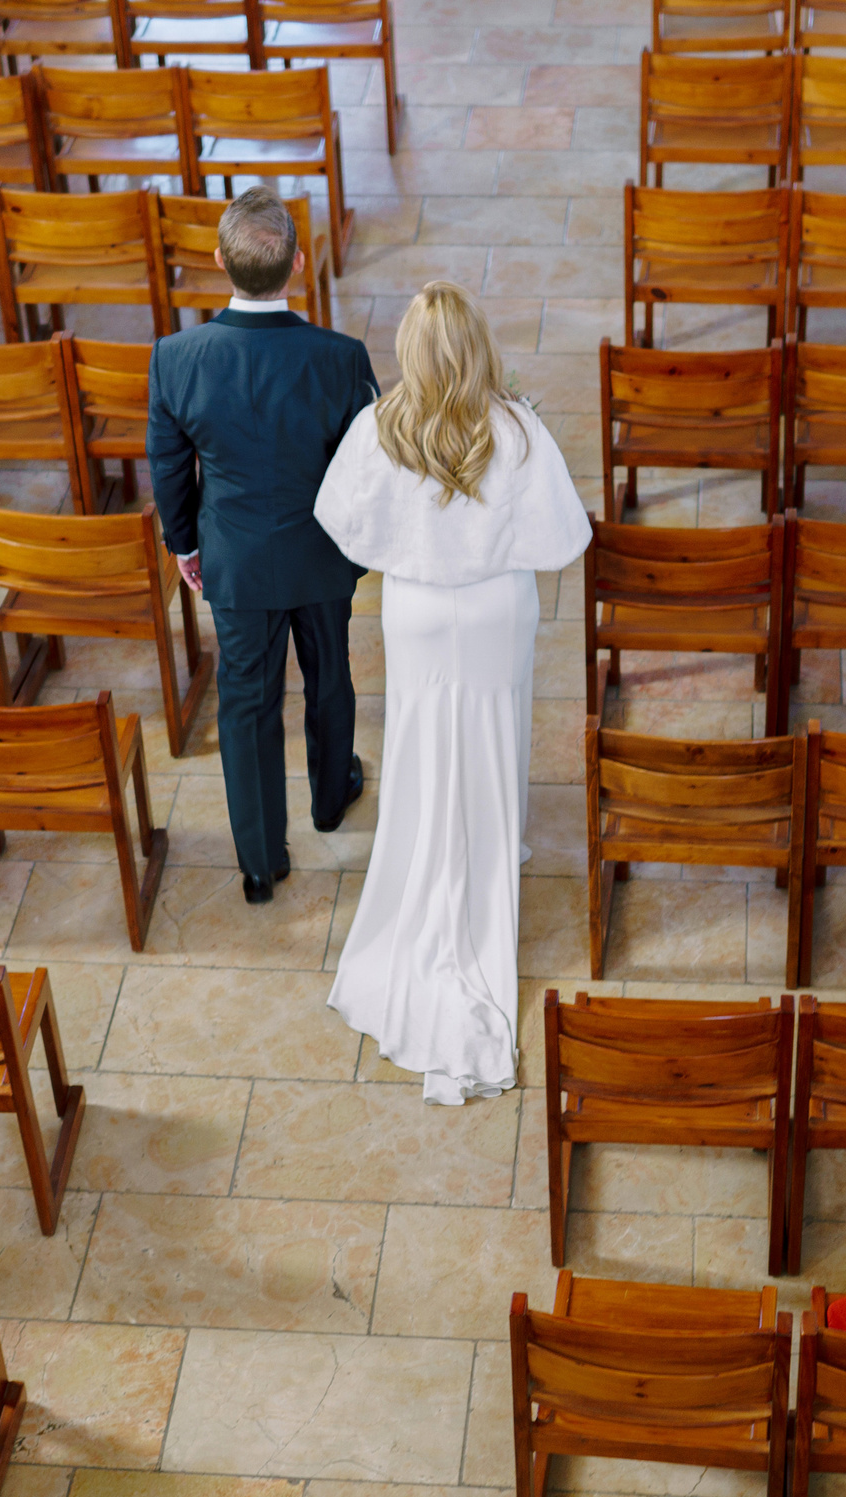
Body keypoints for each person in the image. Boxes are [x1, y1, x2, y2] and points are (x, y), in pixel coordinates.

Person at [315, 283, 590, 1105]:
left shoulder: (380, 427)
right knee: (494, 736)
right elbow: (565, 538)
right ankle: (486, 846)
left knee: (422, 741)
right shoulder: (515, 429)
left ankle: (433, 854)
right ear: (477, 349)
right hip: (496, 611)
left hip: (421, 614)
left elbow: (340, 521)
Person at [147, 186, 379, 904]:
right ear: (299, 264)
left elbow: (167, 466)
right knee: (329, 676)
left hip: (237, 563)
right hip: (321, 557)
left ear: (220, 261)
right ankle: (329, 798)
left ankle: (258, 861)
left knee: (246, 706)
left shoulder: (176, 357)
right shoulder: (340, 358)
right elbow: (363, 463)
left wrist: (186, 545)